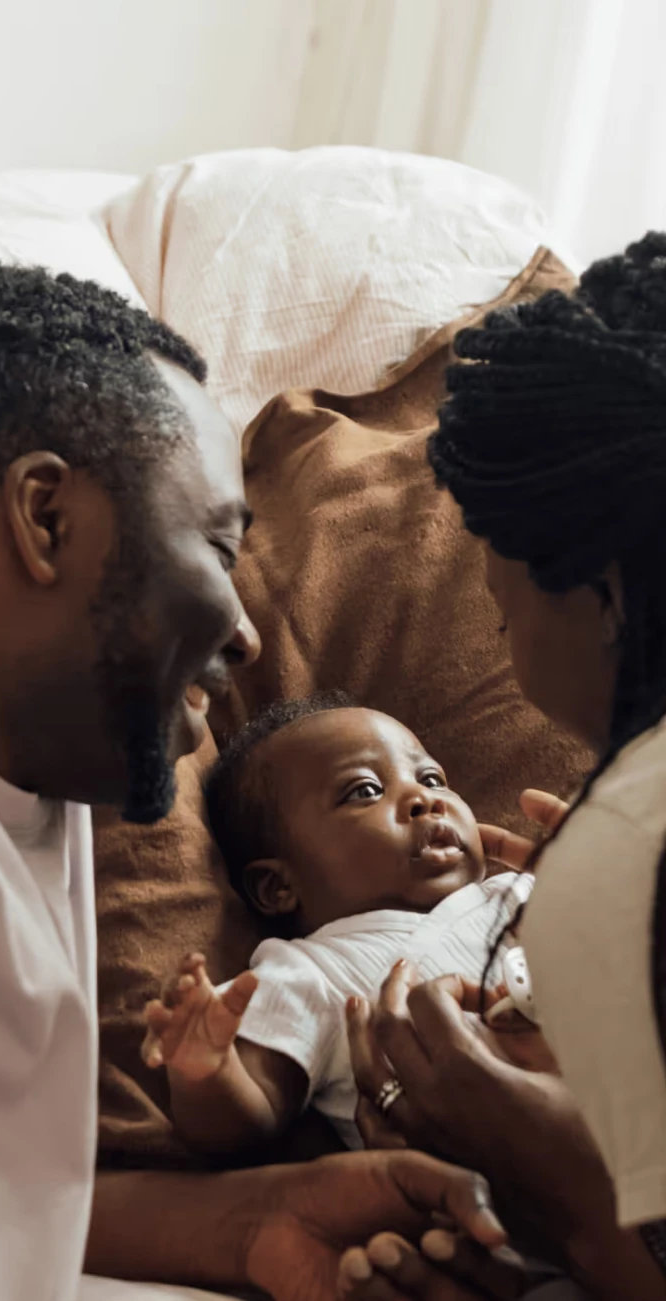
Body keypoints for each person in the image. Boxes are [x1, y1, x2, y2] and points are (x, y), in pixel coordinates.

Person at [0, 263, 519, 1301]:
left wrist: (254, 1222)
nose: (248, 630)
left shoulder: (28, 777)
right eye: (217, 545)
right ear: (46, 518)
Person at [343, 232, 666, 1301]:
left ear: (598, 587)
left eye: (500, 578)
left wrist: (563, 1207)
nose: (490, 610)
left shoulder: (624, 857)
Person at [142, 694, 532, 1154]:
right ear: (276, 887)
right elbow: (250, 1118)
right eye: (364, 791)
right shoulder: (311, 971)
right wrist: (205, 1069)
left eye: (431, 778)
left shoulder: (520, 891)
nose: (423, 798)